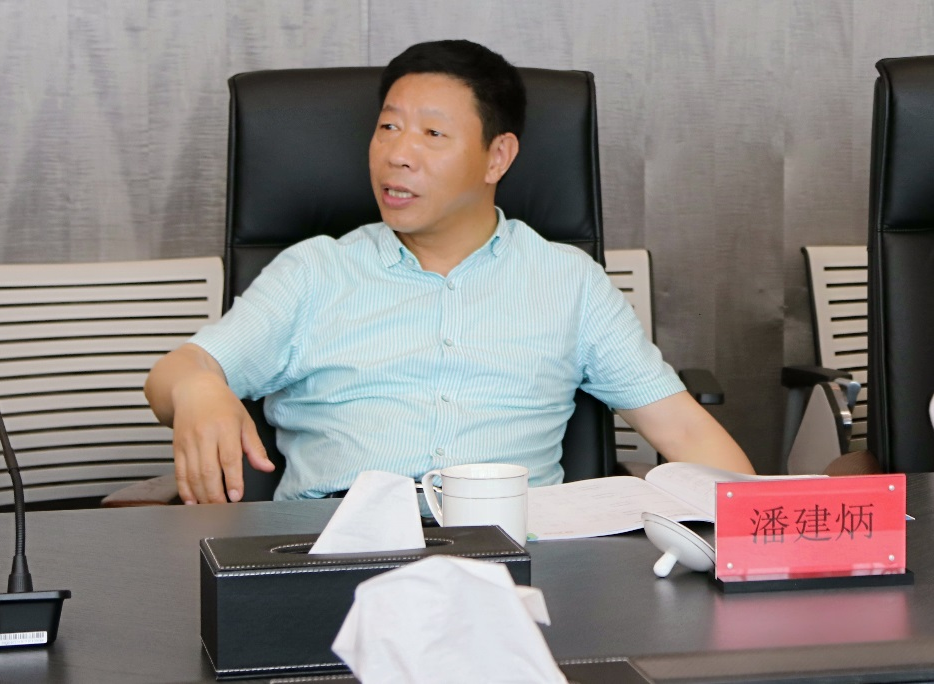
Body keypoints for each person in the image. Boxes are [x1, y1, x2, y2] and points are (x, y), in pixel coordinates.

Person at [145, 39, 755, 505]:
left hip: (513, 549)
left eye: (432, 133)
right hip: (336, 544)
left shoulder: (568, 282)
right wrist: (199, 387)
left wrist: (762, 535)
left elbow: (684, 432)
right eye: (388, 128)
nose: (397, 154)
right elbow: (175, 375)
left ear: (497, 157)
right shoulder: (316, 271)